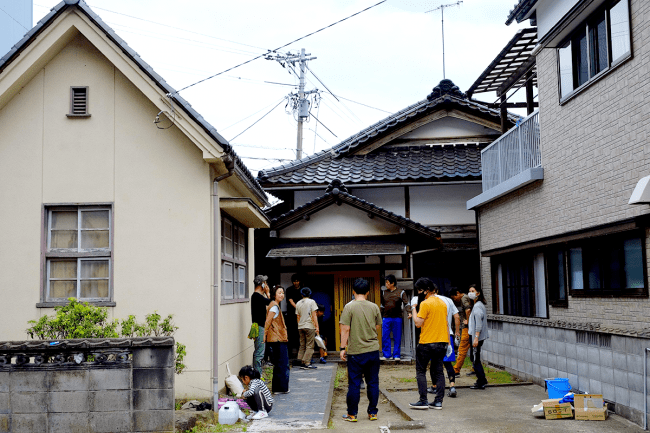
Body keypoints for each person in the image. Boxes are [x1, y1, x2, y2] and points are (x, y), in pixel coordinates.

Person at [339, 278, 382, 422]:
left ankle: (352, 414)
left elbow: (345, 328)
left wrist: (342, 347)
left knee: (354, 383)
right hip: (372, 350)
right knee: (373, 382)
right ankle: (373, 413)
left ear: (353, 291)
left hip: (355, 351)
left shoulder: (349, 307)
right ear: (368, 292)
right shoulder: (374, 307)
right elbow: (377, 326)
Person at [409, 278, 448, 410]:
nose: (419, 293)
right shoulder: (443, 303)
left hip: (426, 342)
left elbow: (418, 323)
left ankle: (423, 400)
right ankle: (438, 401)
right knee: (439, 372)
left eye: (419, 290)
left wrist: (414, 309)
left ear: (425, 291)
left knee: (421, 371)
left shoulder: (425, 304)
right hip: (442, 342)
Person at [264, 285, 290, 393]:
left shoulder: (273, 304)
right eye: (279, 292)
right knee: (282, 364)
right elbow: (267, 322)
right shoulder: (274, 306)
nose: (282, 295)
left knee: (280, 364)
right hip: (277, 339)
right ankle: (281, 388)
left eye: (283, 293)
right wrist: (264, 336)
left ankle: (278, 388)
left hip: (276, 338)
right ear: (275, 295)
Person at [435, 287, 460, 398]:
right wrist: (457, 332)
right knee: (448, 363)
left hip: (435, 336)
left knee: (436, 363)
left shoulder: (430, 301)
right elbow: (457, 316)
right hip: (448, 334)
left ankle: (436, 387)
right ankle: (452, 386)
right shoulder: (449, 300)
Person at [380, 275, 409, 361]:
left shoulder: (401, 292)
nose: (386, 284)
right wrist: (378, 316)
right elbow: (382, 305)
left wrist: (409, 312)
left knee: (397, 336)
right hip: (386, 317)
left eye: (387, 282)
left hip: (397, 317)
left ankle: (396, 355)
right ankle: (386, 355)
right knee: (385, 336)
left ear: (392, 283)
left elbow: (406, 304)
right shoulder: (384, 292)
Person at [468, 285, 489, 390]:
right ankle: (482, 380)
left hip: (476, 337)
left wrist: (476, 338)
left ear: (478, 293)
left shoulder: (477, 306)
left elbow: (479, 324)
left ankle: (481, 381)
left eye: (473, 291)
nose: (470, 293)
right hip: (476, 336)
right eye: (469, 291)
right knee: (474, 358)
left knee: (475, 359)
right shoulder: (478, 305)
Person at [450, 286, 474, 375]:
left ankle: (456, 370)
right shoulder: (467, 297)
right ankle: (475, 368)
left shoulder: (464, 298)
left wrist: (468, 321)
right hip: (471, 327)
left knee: (462, 348)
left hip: (467, 328)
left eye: (454, 297)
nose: (454, 299)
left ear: (457, 293)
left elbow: (468, 310)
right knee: (473, 349)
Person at [251, 275, 271, 375]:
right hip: (259, 327)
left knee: (259, 351)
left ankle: (256, 374)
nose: (267, 285)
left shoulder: (257, 296)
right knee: (259, 352)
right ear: (262, 284)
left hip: (257, 326)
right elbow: (271, 303)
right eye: (265, 283)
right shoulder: (257, 296)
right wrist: (268, 293)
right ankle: (257, 375)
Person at [296, 287, 319, 369]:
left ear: (302, 294)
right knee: (310, 345)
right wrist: (316, 326)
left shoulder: (298, 303)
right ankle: (307, 362)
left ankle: (301, 360)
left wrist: (300, 325)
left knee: (302, 345)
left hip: (300, 326)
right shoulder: (312, 302)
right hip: (309, 325)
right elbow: (314, 315)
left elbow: (298, 317)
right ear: (309, 294)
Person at [285, 274, 302, 358]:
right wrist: (297, 308)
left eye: (297, 281)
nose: (296, 283)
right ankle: (290, 354)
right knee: (291, 334)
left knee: (300, 335)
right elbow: (290, 300)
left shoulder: (302, 290)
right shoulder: (289, 290)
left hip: (301, 316)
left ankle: (300, 354)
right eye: (294, 281)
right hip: (291, 315)